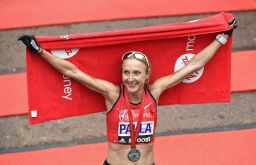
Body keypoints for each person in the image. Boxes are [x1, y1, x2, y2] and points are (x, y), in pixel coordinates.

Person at [18, 20, 236, 165]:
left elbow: (192, 65)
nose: (130, 79)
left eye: (136, 73)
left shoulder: (155, 92)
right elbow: (72, 71)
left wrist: (221, 39)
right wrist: (40, 51)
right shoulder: (112, 94)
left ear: (147, 76)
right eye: (126, 73)